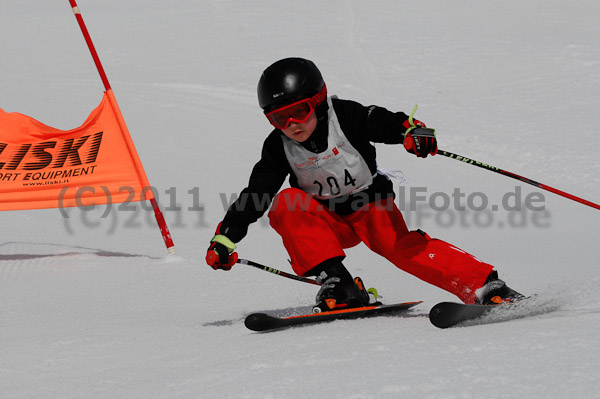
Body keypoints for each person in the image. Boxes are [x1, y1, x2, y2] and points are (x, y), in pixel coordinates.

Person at [206, 57, 523, 312]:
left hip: (369, 207)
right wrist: (226, 236)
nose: (292, 125)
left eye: (299, 111)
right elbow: (257, 193)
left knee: (396, 247)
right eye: (280, 118)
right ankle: (340, 286)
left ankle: (483, 285)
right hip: (327, 221)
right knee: (288, 203)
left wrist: (411, 132)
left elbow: (383, 122)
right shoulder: (279, 146)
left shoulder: (344, 116)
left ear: (317, 102)